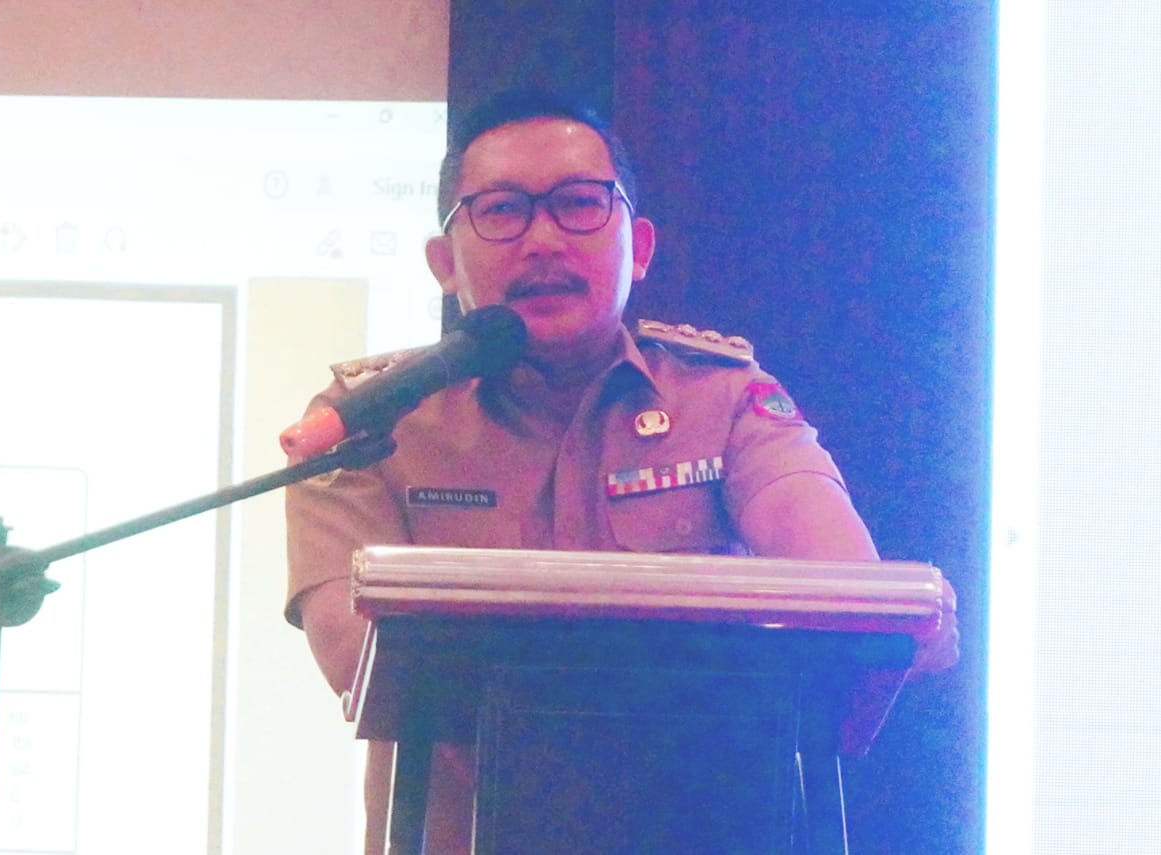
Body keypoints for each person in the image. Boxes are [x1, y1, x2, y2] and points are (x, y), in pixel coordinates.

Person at [284, 89, 958, 854]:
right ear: (444, 263)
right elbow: (356, 656)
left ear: (638, 247)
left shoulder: (725, 402)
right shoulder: (367, 427)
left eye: (578, 204)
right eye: (502, 211)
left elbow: (856, 603)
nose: (542, 240)